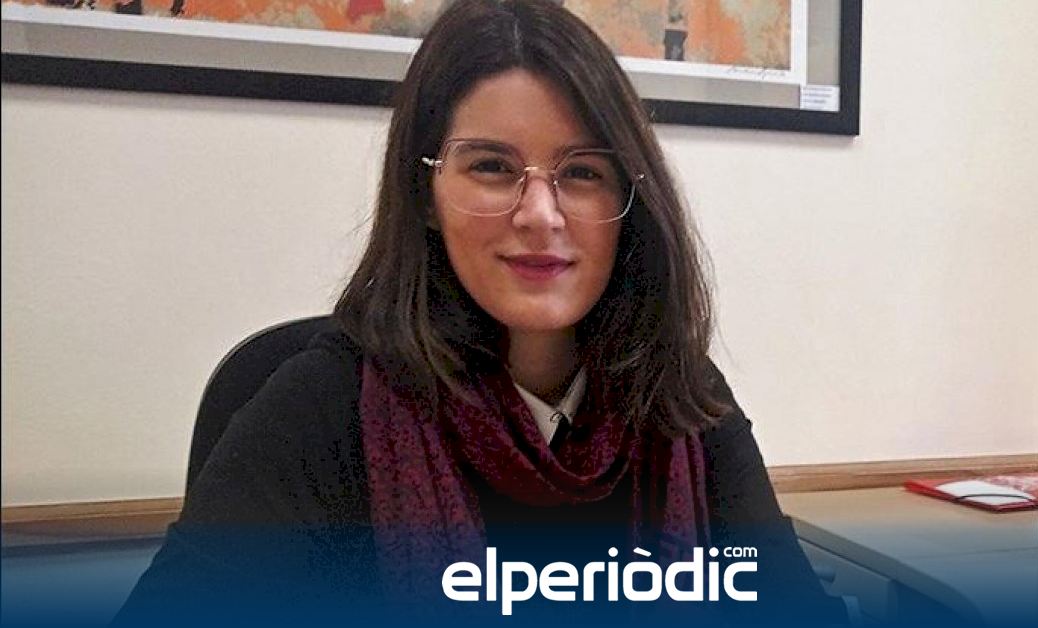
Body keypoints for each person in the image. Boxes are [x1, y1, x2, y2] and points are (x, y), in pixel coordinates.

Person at [114, 1, 847, 626]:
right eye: (492, 166)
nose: (540, 214)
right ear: (427, 196)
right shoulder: (323, 406)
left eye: (582, 172)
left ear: (629, 201)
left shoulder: (680, 394)